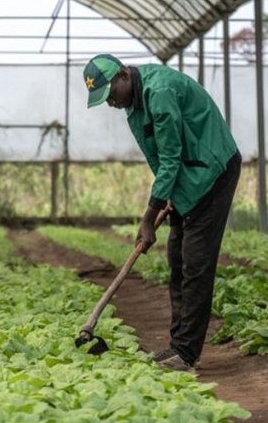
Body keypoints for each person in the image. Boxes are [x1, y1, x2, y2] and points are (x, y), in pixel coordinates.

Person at [82, 54, 240, 373]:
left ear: (124, 75)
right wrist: (168, 199)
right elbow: (160, 159)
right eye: (105, 99)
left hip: (212, 173)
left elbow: (170, 157)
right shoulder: (133, 106)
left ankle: (186, 352)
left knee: (195, 262)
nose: (111, 102)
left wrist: (148, 216)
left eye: (111, 93)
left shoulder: (161, 91)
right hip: (186, 177)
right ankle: (177, 345)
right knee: (177, 259)